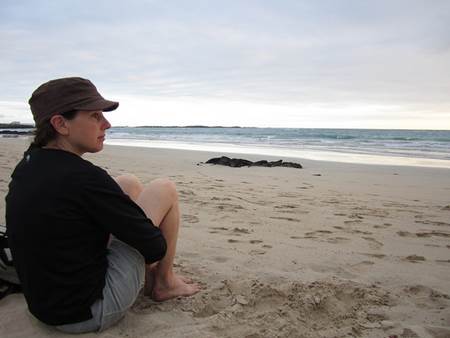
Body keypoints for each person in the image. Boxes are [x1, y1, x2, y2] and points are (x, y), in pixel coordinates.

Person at [5, 77, 199, 333]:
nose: (106, 124)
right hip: (88, 311)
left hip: (44, 304)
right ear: (61, 124)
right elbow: (154, 247)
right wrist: (127, 234)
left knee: (128, 184)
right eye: (95, 116)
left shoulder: (28, 165)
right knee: (164, 189)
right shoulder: (84, 177)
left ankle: (156, 277)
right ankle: (164, 283)